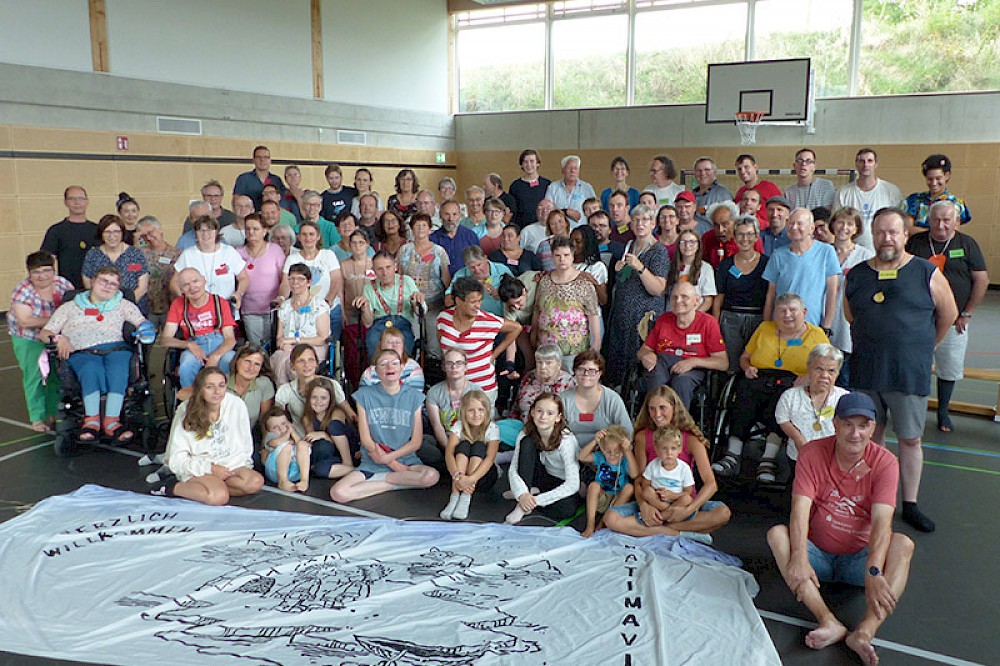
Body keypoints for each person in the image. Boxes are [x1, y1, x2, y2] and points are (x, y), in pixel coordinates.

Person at [766, 392, 914, 666]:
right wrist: (799, 557)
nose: (855, 433)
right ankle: (827, 620)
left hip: (860, 560)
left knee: (903, 544)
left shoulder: (885, 463)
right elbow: (799, 511)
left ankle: (865, 632)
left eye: (863, 425)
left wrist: (873, 570)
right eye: (847, 424)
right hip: (817, 559)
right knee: (777, 535)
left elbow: (883, 523)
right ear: (835, 424)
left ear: (873, 428)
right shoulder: (811, 453)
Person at [844, 208, 958, 532]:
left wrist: (922, 347)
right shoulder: (856, 274)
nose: (887, 239)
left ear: (905, 235)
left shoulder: (926, 272)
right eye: (880, 232)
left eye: (894, 232)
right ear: (872, 234)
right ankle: (872, 499)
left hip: (908, 372)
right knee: (869, 439)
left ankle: (909, 504)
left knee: (909, 440)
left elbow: (947, 314)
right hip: (866, 369)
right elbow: (851, 316)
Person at [713, 292, 831, 481]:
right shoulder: (765, 328)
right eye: (782, 311)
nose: (787, 315)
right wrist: (747, 368)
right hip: (759, 377)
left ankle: (768, 459)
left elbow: (827, 364)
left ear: (804, 312)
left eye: (793, 310)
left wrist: (808, 376)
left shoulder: (815, 334)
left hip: (793, 381)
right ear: (775, 312)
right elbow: (745, 357)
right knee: (743, 392)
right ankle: (732, 455)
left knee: (783, 400)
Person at [40, 265, 155, 444]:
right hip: (82, 350)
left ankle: (112, 421)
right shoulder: (70, 307)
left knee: (118, 369)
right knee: (90, 368)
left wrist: (145, 329)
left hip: (116, 348)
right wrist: (57, 338)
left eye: (113, 284)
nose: (108, 286)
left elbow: (142, 322)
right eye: (104, 281)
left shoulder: (124, 304)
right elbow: (45, 331)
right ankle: (92, 421)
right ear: (93, 281)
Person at [604, 385, 731, 537]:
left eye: (662, 408)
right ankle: (677, 532)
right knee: (610, 518)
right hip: (652, 500)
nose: (657, 414)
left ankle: (655, 529)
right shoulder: (642, 437)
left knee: (722, 513)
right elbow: (639, 479)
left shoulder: (691, 439)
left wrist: (687, 511)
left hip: (682, 503)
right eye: (652, 409)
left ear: (674, 408)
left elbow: (711, 484)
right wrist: (644, 506)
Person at [906, 200, 989, 432]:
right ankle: (915, 410)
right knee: (915, 365)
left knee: (949, 367)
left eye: (947, 220)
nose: (941, 225)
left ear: (957, 221)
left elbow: (981, 280)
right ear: (928, 220)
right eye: (936, 219)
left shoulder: (967, 244)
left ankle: (943, 411)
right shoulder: (916, 242)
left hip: (954, 321)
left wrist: (967, 313)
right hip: (918, 320)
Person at [329, 349, 439, 502]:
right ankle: (395, 482)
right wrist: (391, 464)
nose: (389, 367)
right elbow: (366, 440)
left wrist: (390, 460)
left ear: (401, 368)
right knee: (338, 493)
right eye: (383, 364)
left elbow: (415, 442)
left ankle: (383, 481)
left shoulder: (415, 397)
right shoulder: (364, 396)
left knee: (432, 476)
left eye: (394, 363)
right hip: (373, 461)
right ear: (376, 371)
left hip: (405, 461)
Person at [162, 367, 264, 504]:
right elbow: (176, 459)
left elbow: (245, 441)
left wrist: (242, 466)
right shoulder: (185, 411)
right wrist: (210, 469)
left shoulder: (236, 404)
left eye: (221, 386)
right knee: (218, 497)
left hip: (229, 465)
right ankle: (172, 488)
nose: (217, 391)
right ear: (199, 389)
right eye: (210, 387)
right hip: (200, 466)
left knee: (255, 482)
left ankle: (214, 487)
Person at [8, 251, 75, 432]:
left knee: (56, 374)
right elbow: (26, 321)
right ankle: (37, 418)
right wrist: (57, 319)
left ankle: (53, 412)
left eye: (47, 270)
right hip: (28, 338)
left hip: (54, 336)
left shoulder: (63, 284)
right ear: (29, 273)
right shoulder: (23, 291)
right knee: (34, 376)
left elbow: (75, 308)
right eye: (37, 272)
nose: (43, 276)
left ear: (53, 270)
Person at [605, 204, 669, 388]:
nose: (640, 224)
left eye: (645, 220)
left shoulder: (659, 251)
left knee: (637, 369)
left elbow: (657, 289)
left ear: (653, 224)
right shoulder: (629, 246)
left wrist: (640, 268)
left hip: (642, 320)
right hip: (622, 317)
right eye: (636, 220)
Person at [638, 282, 728, 408]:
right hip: (663, 362)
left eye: (684, 297)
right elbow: (643, 350)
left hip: (693, 368)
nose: (678, 301)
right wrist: (647, 355)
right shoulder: (664, 320)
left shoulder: (708, 322)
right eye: (674, 297)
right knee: (656, 379)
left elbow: (723, 363)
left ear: (697, 301)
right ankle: (655, 422)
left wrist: (693, 362)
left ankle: (679, 424)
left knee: (682, 382)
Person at [437, 276, 522, 403]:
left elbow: (516, 328)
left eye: (479, 300)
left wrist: (494, 355)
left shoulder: (487, 320)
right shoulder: (443, 318)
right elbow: (442, 344)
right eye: (473, 302)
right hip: (454, 387)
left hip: (482, 387)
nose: (478, 306)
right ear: (458, 301)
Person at [505, 393, 580, 524]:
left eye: (550, 413)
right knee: (527, 443)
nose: (543, 417)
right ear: (532, 412)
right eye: (539, 411)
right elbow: (514, 467)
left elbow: (572, 484)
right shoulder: (525, 432)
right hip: (542, 474)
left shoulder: (566, 440)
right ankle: (524, 495)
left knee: (567, 509)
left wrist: (536, 501)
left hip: (561, 480)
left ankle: (530, 500)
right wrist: (522, 493)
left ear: (558, 417)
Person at [762, 208, 841, 330]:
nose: (794, 227)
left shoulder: (826, 252)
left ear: (811, 228)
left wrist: (827, 325)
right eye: (791, 223)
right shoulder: (778, 255)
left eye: (799, 223)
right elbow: (771, 294)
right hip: (781, 326)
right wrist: (766, 325)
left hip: (812, 326)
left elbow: (831, 293)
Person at [162, 268, 239, 388]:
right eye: (186, 285)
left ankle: (227, 400)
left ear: (204, 281)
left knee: (230, 362)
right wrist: (188, 345)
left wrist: (216, 356)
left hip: (220, 344)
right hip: (194, 345)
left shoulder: (220, 302)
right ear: (181, 289)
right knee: (186, 366)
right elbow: (165, 339)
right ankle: (192, 401)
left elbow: (230, 339)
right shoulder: (178, 304)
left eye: (195, 281)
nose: (192, 287)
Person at [532, 237, 602, 369]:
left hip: (575, 349)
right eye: (557, 255)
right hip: (547, 347)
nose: (562, 259)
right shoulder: (544, 281)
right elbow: (537, 310)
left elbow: (593, 313)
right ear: (552, 257)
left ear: (572, 256)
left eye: (566, 255)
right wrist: (533, 336)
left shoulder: (584, 282)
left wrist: (596, 342)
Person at [775, 344, 849, 468]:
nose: (824, 375)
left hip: (835, 460)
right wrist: (798, 439)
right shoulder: (790, 396)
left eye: (831, 371)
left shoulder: (845, 398)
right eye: (819, 369)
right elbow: (782, 419)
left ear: (838, 373)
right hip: (799, 459)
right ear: (809, 369)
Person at [713, 216, 770, 372]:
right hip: (730, 321)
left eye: (749, 234)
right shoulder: (726, 265)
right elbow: (719, 298)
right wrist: (716, 326)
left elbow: (770, 297)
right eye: (740, 234)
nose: (745, 239)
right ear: (734, 236)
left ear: (757, 236)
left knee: (755, 364)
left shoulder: (767, 263)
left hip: (758, 320)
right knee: (731, 366)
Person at [826, 207, 876, 386]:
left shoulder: (866, 256)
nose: (844, 227)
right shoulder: (823, 252)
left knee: (845, 378)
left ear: (856, 229)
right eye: (840, 222)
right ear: (832, 225)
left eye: (849, 224)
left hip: (848, 324)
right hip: (824, 320)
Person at [440, 390, 501, 521]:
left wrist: (471, 479)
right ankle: (454, 497)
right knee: (464, 445)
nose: (476, 415)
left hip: (482, 476)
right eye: (471, 411)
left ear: (486, 411)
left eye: (480, 410)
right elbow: (449, 453)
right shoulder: (459, 425)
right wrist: (457, 476)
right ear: (464, 412)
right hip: (459, 477)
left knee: (479, 445)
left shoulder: (492, 428)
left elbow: (490, 458)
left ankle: (466, 498)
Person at [281, 220, 343, 346]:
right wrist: (282, 298)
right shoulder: (292, 258)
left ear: (318, 236)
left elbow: (337, 280)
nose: (308, 238)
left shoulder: (328, 255)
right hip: (300, 310)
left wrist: (328, 301)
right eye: (304, 234)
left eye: (311, 234)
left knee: (329, 346)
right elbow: (285, 283)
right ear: (299, 237)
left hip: (329, 309)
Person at [398, 212, 451, 358]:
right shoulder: (404, 250)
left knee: (434, 346)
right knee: (410, 344)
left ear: (430, 229)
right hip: (410, 305)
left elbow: (446, 279)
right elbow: (399, 277)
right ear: (411, 229)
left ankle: (433, 376)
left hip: (435, 305)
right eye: (417, 225)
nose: (420, 229)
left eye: (424, 225)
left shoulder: (439, 252)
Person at [171, 216, 249, 314]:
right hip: (197, 311)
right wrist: (183, 299)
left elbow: (244, 278)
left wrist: (238, 293)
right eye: (201, 230)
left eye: (210, 230)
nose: (205, 234)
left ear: (216, 232)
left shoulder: (229, 252)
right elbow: (174, 282)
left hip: (226, 309)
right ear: (196, 233)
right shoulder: (188, 254)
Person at [272, 263, 331, 385]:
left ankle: (298, 395)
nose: (295, 282)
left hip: (314, 347)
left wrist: (295, 340)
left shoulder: (319, 305)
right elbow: (279, 337)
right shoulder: (285, 307)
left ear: (309, 282)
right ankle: (284, 397)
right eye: (292, 278)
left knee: (293, 363)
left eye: (300, 279)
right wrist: (283, 345)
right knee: (280, 359)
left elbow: (322, 338)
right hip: (288, 347)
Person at [358, 250, 424, 356]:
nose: (385, 273)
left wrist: (417, 301)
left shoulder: (407, 281)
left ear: (395, 267)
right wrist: (365, 308)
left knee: (405, 342)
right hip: (379, 324)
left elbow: (421, 312)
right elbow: (367, 323)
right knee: (372, 340)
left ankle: (403, 370)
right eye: (380, 269)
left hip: (403, 323)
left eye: (388, 267)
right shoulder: (369, 287)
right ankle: (377, 369)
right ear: (373, 270)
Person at [834, 148, 904, 250]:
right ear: (856, 164)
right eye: (861, 161)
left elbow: (899, 224)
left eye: (870, 161)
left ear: (876, 164)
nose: (865, 164)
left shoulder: (891, 191)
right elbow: (836, 224)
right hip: (852, 252)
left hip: (884, 250)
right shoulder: (843, 193)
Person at [561, 350, 631, 449]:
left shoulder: (612, 399)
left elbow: (627, 432)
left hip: (604, 453)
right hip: (568, 452)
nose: (586, 374)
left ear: (600, 373)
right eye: (581, 369)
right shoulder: (563, 398)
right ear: (574, 371)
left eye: (592, 371)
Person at [275, 343, 354, 430]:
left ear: (317, 363)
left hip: (329, 438)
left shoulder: (331, 384)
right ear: (292, 366)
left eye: (311, 360)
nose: (307, 364)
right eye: (301, 361)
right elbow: (277, 419)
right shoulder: (286, 389)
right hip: (298, 439)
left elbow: (350, 413)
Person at [82, 214, 149, 314]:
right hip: (102, 311)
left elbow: (142, 287)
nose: (112, 236)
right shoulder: (92, 255)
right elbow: (88, 285)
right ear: (101, 234)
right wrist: (107, 307)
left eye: (116, 232)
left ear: (122, 233)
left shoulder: (135, 254)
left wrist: (124, 307)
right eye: (107, 232)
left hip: (133, 309)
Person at [578, 425, 637, 538]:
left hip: (618, 501)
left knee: (630, 487)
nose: (612, 455)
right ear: (602, 449)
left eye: (617, 451)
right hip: (602, 497)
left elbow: (634, 474)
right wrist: (595, 441)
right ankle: (590, 524)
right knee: (594, 485)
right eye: (608, 451)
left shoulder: (624, 459)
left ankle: (603, 522)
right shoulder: (601, 457)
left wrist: (627, 451)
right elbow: (582, 457)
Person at [236, 213, 286, 346]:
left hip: (273, 309)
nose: (251, 232)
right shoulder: (238, 253)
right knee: (257, 348)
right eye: (248, 229)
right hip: (250, 310)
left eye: (255, 229)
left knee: (275, 346)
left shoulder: (275, 250)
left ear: (265, 231)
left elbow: (284, 279)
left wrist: (281, 298)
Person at [425, 348, 481, 457]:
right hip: (445, 439)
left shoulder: (476, 391)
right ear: (443, 367)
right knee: (425, 443)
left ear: (465, 367)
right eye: (449, 363)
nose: (454, 367)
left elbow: (480, 426)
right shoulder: (434, 392)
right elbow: (437, 426)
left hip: (469, 439)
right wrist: (450, 453)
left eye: (459, 363)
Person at [41, 185, 98, 289]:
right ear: (65, 202)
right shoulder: (56, 230)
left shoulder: (98, 230)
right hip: (67, 289)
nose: (77, 202)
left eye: (81, 198)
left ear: (87, 201)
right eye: (72, 198)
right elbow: (46, 262)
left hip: (97, 289)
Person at [299, 378, 357, 479]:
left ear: (330, 399)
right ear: (309, 398)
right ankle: (350, 471)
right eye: (314, 397)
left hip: (348, 453)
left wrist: (324, 435)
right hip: (332, 456)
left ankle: (351, 466)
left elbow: (338, 439)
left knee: (333, 426)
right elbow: (313, 441)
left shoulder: (336, 413)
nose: (318, 402)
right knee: (318, 463)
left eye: (323, 398)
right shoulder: (307, 418)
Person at [638, 426, 695, 522]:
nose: (669, 453)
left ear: (679, 449)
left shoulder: (684, 468)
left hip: (676, 501)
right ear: (657, 450)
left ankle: (660, 517)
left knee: (687, 499)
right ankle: (667, 514)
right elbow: (645, 485)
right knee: (647, 492)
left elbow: (688, 491)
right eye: (664, 448)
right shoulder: (653, 465)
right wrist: (655, 492)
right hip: (657, 501)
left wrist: (673, 495)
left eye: (673, 448)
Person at [340, 230, 374, 387]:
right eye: (354, 243)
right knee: (353, 351)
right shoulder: (344, 265)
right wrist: (342, 313)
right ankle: (353, 382)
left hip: (370, 312)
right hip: (350, 311)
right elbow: (340, 291)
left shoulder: (373, 262)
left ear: (367, 244)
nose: (357, 246)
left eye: (361, 242)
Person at [135, 216, 181, 331]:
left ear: (160, 229)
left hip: (170, 308)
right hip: (147, 309)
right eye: (144, 236)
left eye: (151, 232)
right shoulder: (141, 254)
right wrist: (136, 240)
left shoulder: (177, 254)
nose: (149, 238)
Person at [904, 153, 971, 230]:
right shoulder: (914, 200)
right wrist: (937, 233)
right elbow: (908, 229)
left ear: (947, 176)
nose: (934, 183)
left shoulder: (956, 203)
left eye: (938, 178)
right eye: (930, 179)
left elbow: (952, 233)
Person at [445, 245, 513, 318]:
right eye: (472, 267)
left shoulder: (501, 270)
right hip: (473, 321)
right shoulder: (461, 274)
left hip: (501, 318)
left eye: (479, 265)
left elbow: (517, 295)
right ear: (467, 266)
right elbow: (448, 302)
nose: (477, 270)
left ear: (485, 258)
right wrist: (470, 288)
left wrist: (500, 294)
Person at [261, 407, 312, 492]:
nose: (281, 429)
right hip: (276, 471)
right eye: (275, 427)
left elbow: (301, 442)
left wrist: (293, 432)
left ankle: (304, 480)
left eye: (284, 424)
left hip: (294, 471)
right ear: (269, 431)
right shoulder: (271, 436)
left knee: (303, 444)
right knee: (286, 446)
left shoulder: (291, 433)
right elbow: (276, 443)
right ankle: (283, 481)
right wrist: (288, 434)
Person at [359, 326, 425, 391]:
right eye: (389, 342)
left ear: (403, 347)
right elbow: (364, 399)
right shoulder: (369, 373)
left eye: (398, 343)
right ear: (381, 346)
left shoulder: (413, 369)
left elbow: (414, 398)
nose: (394, 345)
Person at [226, 343, 274, 431]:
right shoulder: (221, 383)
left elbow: (263, 422)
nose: (251, 368)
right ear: (237, 361)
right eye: (247, 361)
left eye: (257, 364)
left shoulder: (264, 384)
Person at [666, 229, 716, 312]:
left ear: (698, 245)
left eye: (692, 242)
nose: (687, 245)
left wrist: (694, 317)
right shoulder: (670, 266)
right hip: (671, 316)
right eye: (683, 242)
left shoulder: (706, 268)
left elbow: (708, 300)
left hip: (694, 317)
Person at [702, 201, 763, 269]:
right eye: (716, 225)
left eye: (725, 224)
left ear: (735, 222)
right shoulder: (707, 238)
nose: (721, 230)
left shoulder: (750, 239)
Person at [545, 155, 596, 227]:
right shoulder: (553, 187)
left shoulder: (587, 188)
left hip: (581, 232)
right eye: (569, 168)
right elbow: (547, 211)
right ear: (562, 170)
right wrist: (566, 212)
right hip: (558, 232)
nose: (572, 171)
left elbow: (595, 211)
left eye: (575, 168)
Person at [430, 199, 481, 272]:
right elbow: (428, 263)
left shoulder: (470, 236)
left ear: (460, 215)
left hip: (467, 280)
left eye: (454, 214)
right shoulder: (432, 239)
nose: (451, 219)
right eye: (447, 214)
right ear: (440, 216)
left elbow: (479, 261)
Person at [734, 154, 781, 228]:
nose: (743, 172)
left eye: (746, 167)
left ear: (755, 167)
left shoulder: (769, 188)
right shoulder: (740, 192)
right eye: (740, 169)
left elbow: (781, 212)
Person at [509, 149, 552, 229]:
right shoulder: (515, 186)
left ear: (538, 163)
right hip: (522, 228)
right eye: (525, 162)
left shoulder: (547, 184)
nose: (529, 165)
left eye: (532, 161)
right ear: (521, 165)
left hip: (544, 228)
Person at [233, 145, 284, 210]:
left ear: (270, 160)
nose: (262, 160)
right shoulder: (243, 179)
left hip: (271, 217)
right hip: (250, 218)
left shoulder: (277, 180)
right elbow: (236, 201)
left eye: (265, 157)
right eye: (258, 157)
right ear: (253, 160)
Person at [570, 225, 608, 306]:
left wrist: (592, 281)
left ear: (587, 243)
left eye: (578, 241)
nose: (573, 244)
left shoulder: (597, 267)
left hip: (590, 314)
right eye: (571, 241)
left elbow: (603, 300)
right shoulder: (566, 264)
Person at [691, 157, 734, 229]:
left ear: (715, 172)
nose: (702, 173)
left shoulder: (723, 193)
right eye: (699, 170)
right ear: (695, 174)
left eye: (707, 170)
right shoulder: (692, 195)